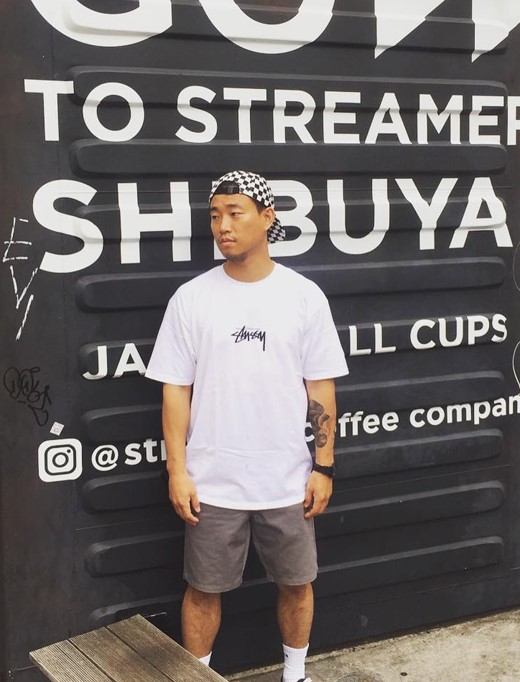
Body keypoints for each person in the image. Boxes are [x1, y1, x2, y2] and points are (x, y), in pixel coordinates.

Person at [145, 170, 348, 682]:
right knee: (202, 589)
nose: (223, 226)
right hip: (212, 482)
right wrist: (177, 471)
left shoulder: (303, 296)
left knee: (297, 583)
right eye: (215, 215)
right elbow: (175, 390)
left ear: (267, 217)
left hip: (287, 479)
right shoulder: (192, 298)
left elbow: (320, 388)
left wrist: (323, 466)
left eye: (235, 213)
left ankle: (295, 675)